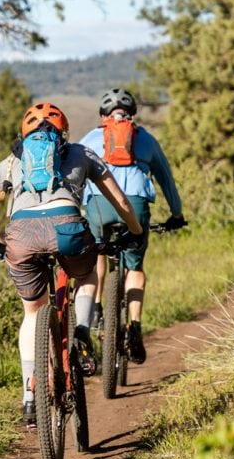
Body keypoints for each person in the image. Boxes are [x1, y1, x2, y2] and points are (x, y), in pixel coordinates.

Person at [0, 102, 143, 426]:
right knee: (89, 276)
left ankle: (29, 396)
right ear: (63, 131)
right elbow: (120, 201)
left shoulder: (13, 160)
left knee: (32, 312)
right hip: (67, 226)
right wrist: (134, 233)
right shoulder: (81, 153)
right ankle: (81, 332)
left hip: (21, 234)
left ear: (25, 134)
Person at [78, 88, 187, 365]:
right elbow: (166, 179)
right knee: (135, 267)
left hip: (99, 206)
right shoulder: (147, 140)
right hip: (136, 206)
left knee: (98, 254)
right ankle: (134, 326)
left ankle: (97, 310)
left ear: (103, 116)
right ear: (132, 114)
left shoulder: (90, 139)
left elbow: (73, 173)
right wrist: (176, 214)